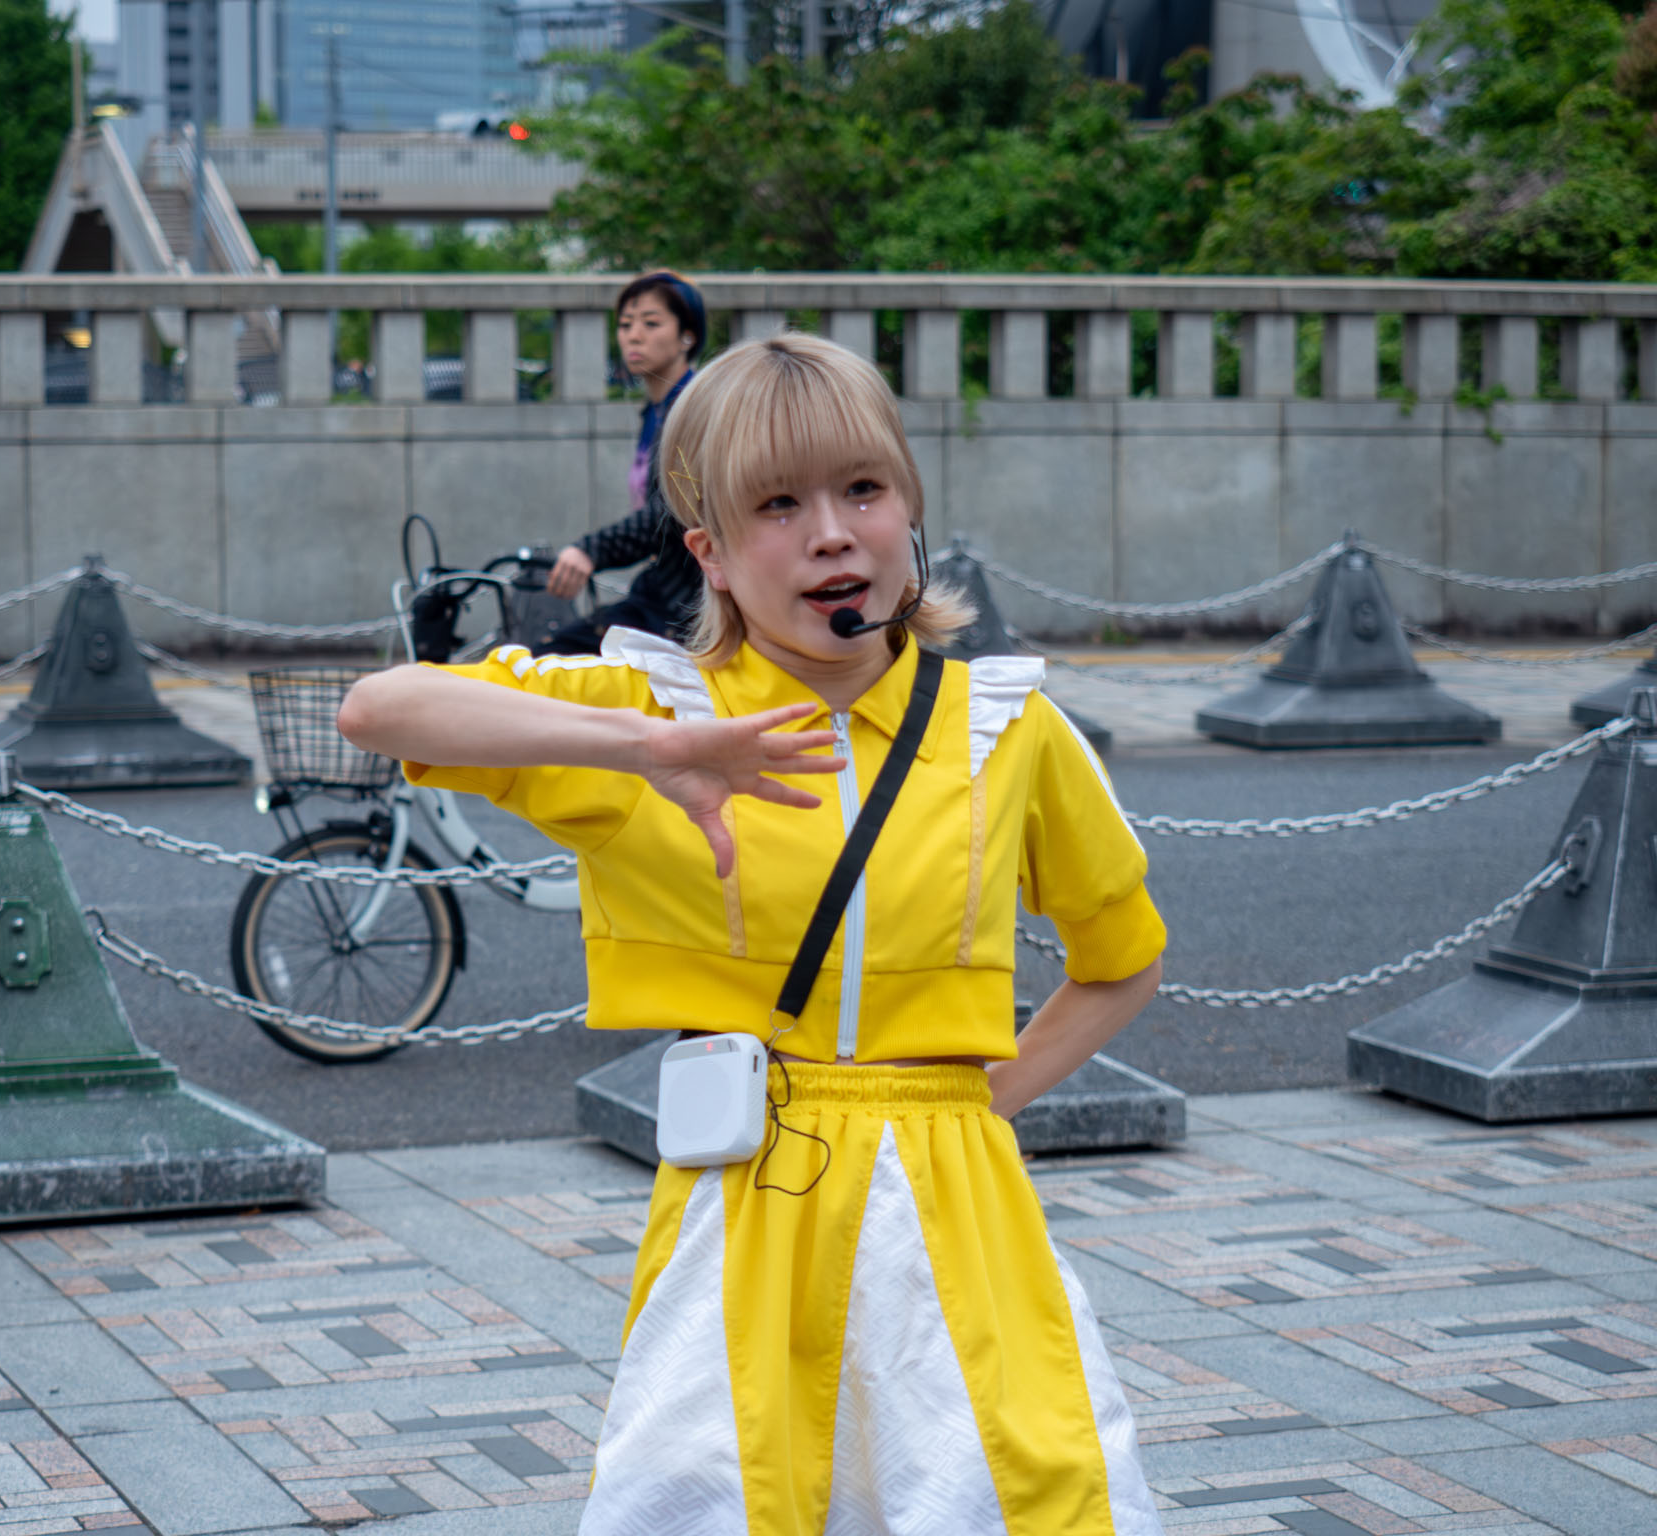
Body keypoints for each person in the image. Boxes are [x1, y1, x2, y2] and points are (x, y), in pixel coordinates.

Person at [338, 333, 1167, 1535]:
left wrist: (972, 1108)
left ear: (908, 508)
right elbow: (380, 708)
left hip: (960, 1207)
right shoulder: (653, 715)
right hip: (741, 1209)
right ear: (709, 555)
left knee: (1015, 1494)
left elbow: (1120, 958)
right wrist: (648, 752)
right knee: (724, 1499)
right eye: (778, 506)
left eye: (861, 491)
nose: (831, 534)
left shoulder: (1007, 728)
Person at [535, 270, 707, 654]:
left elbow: (670, 513)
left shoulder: (694, 409)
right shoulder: (656, 411)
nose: (633, 334)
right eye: (626, 324)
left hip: (690, 606)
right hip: (662, 590)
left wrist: (590, 550)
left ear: (688, 336)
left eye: (651, 322)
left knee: (555, 657)